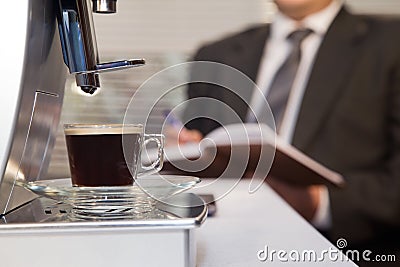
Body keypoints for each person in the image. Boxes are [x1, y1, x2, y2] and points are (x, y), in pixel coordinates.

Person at [181, 0, 400, 264]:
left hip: (345, 250)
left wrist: (318, 203)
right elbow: (201, 154)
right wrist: (187, 156)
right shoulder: (215, 55)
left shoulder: (390, 45)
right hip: (223, 246)